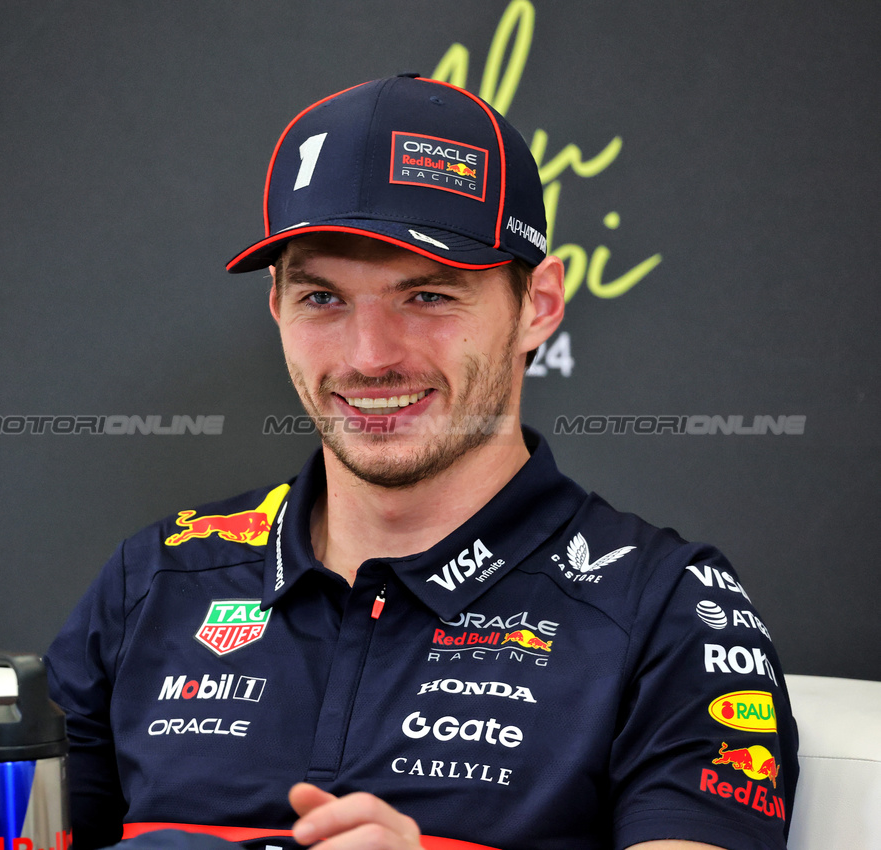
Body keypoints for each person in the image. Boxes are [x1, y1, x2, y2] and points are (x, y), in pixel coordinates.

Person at [45, 75, 797, 850]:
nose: (369, 357)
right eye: (322, 299)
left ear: (537, 304)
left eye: (428, 297)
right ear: (276, 304)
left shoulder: (665, 605)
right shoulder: (157, 576)